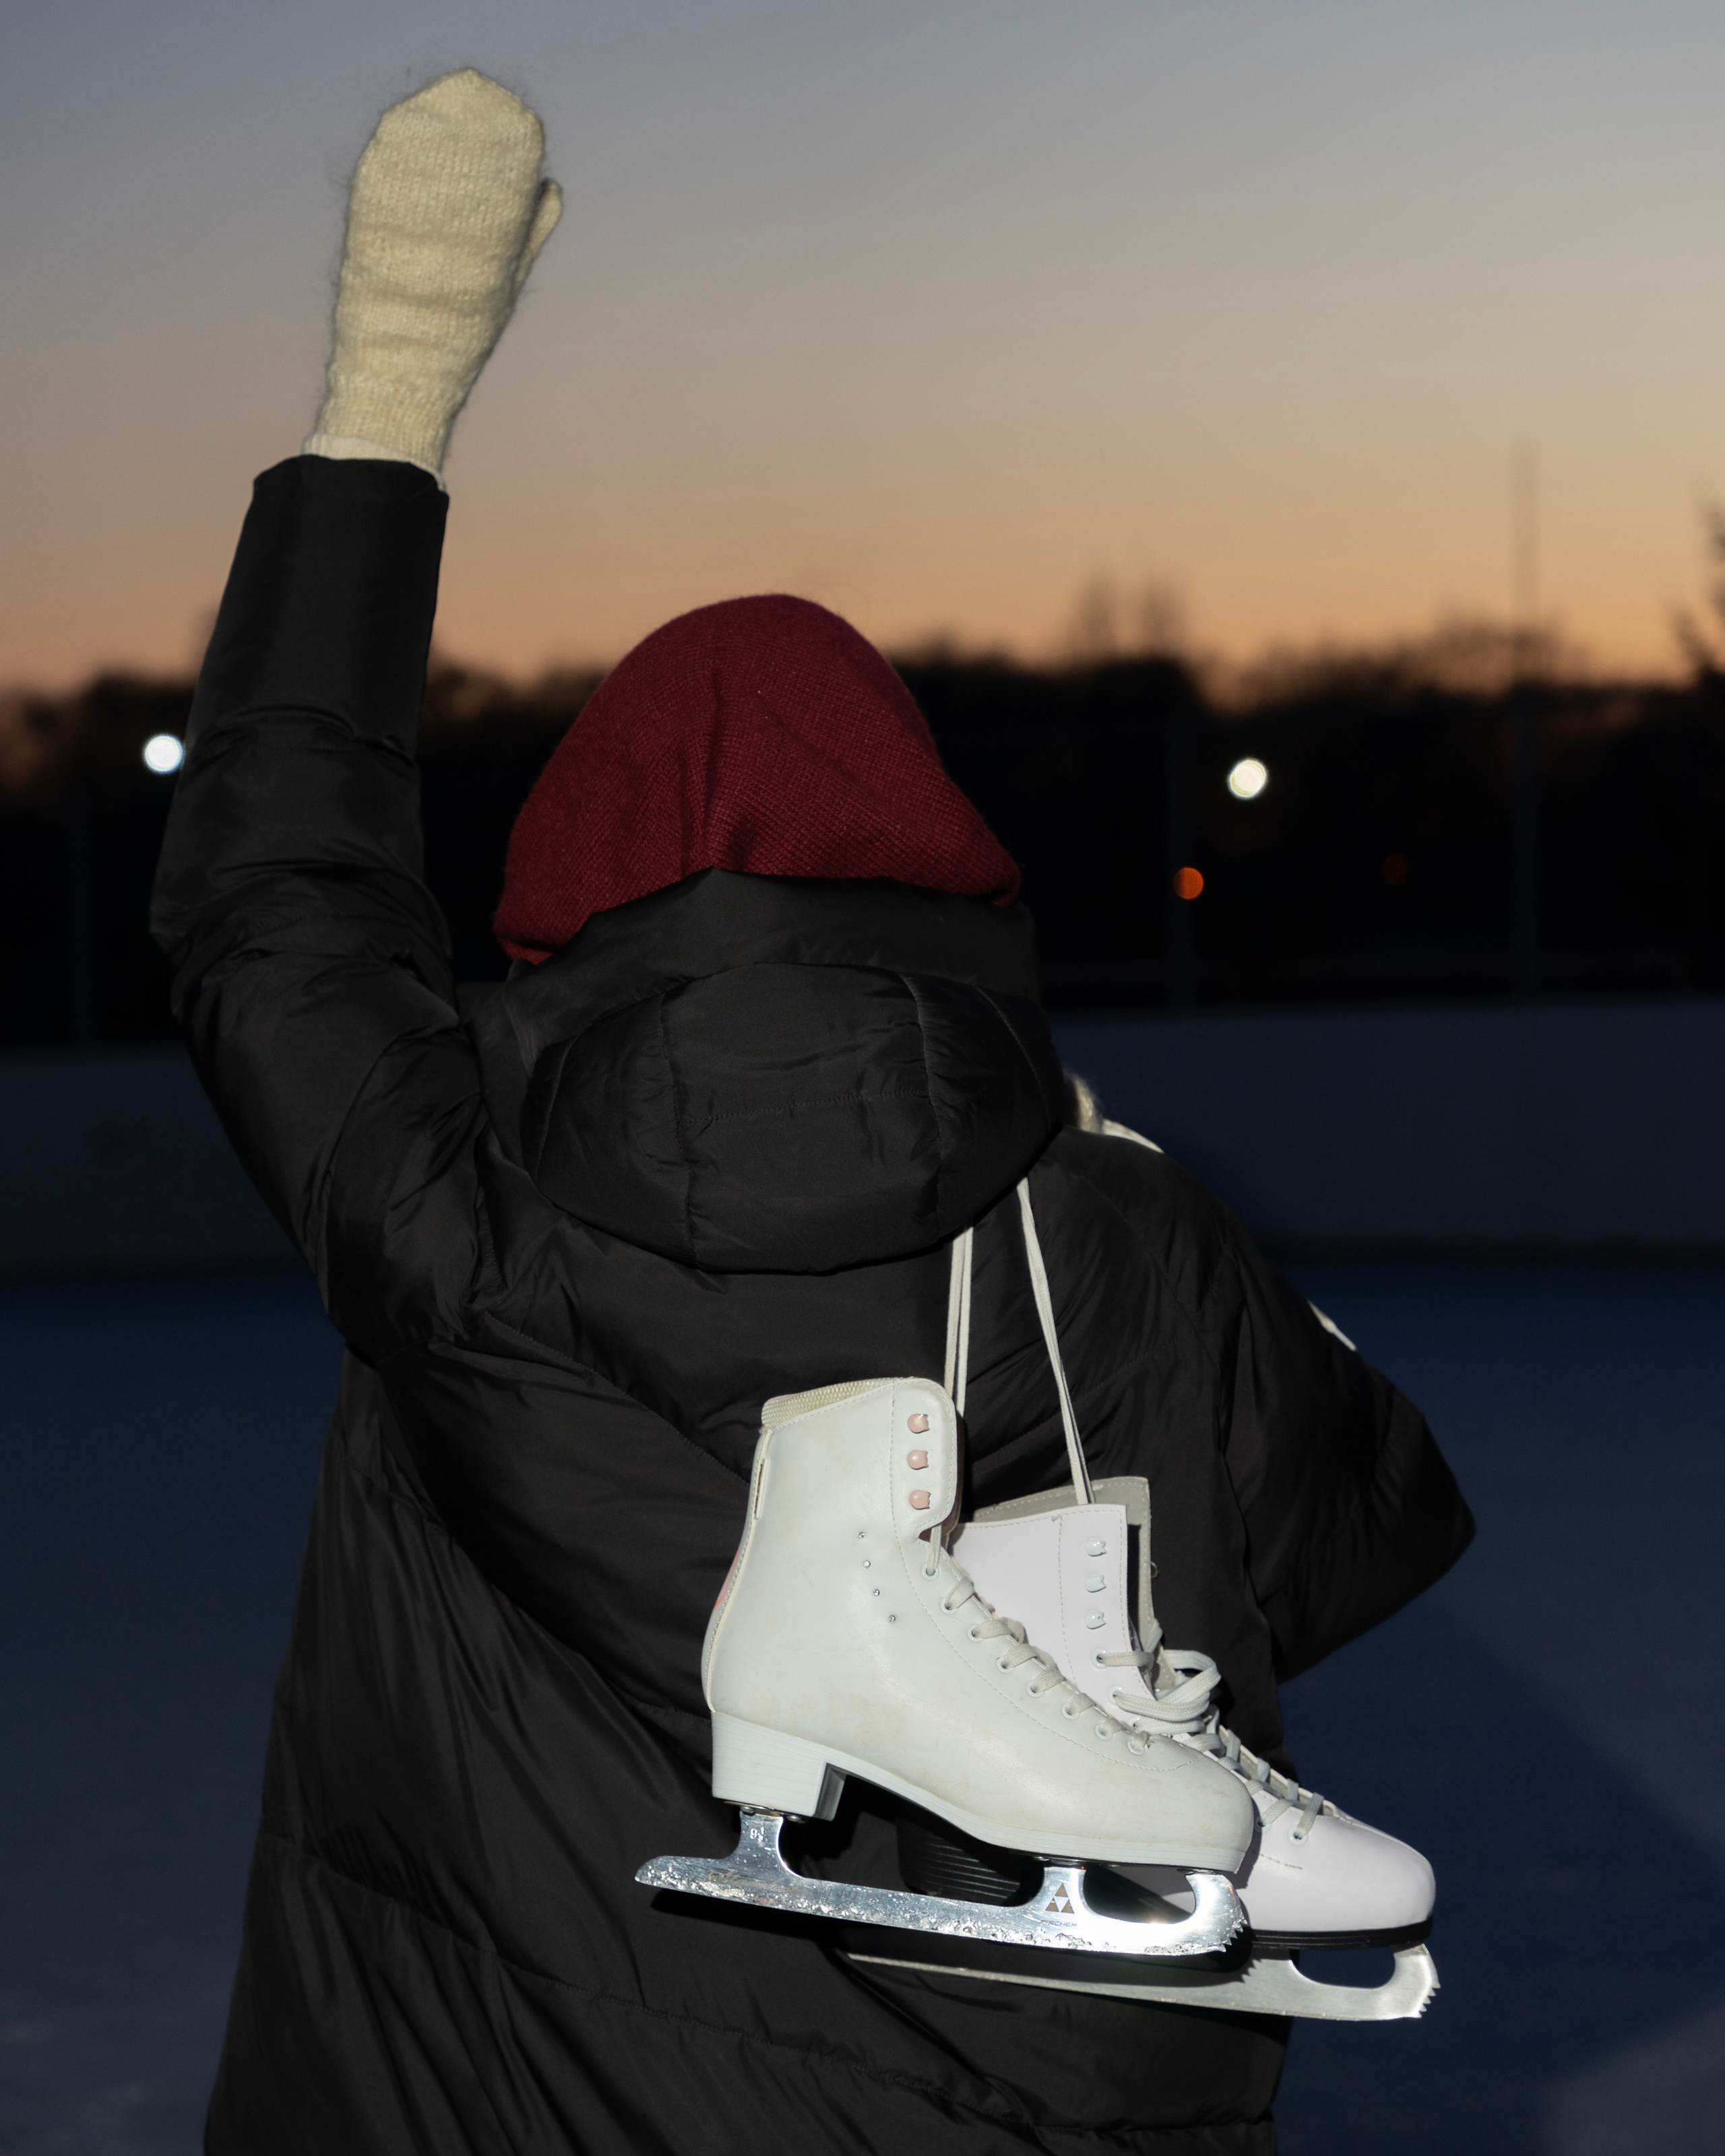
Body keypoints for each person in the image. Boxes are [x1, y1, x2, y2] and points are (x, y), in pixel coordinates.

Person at [152, 69, 1474, 2155]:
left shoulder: (452, 1194)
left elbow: (269, 904)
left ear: (564, 913)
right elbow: (1363, 1530)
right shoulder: (1122, 1229)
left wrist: (386, 409)